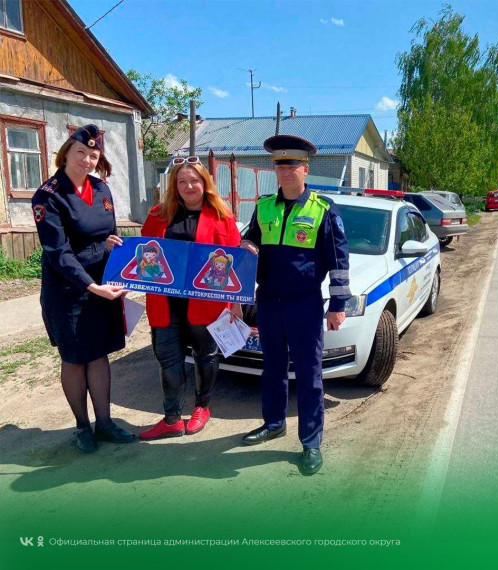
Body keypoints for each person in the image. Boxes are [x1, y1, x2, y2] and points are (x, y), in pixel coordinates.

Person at [240, 135, 350, 476]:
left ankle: (311, 442)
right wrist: (246, 243)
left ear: (305, 169)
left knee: (309, 374)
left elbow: (338, 259)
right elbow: (249, 238)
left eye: (290, 166)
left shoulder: (322, 209)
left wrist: (338, 303)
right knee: (271, 368)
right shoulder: (263, 207)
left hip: (305, 304)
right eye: (278, 166)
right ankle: (274, 423)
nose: (284, 172)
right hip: (269, 302)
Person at [31, 124, 136, 453]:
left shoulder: (101, 189)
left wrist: (118, 265)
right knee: (75, 358)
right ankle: (82, 427)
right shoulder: (48, 196)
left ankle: (104, 423)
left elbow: (110, 234)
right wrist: (92, 285)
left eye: (94, 155)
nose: (87, 160)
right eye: (81, 153)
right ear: (66, 153)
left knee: (98, 354)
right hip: (69, 293)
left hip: (102, 287)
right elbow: (59, 254)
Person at [139, 157, 241, 441]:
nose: (188, 186)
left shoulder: (223, 217)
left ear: (205, 183)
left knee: (205, 356)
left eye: (194, 180)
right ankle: (171, 418)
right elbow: (144, 256)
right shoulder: (158, 214)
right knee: (168, 359)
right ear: (174, 185)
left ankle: (201, 408)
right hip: (165, 303)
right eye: (181, 181)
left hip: (206, 303)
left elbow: (236, 264)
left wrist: (235, 304)